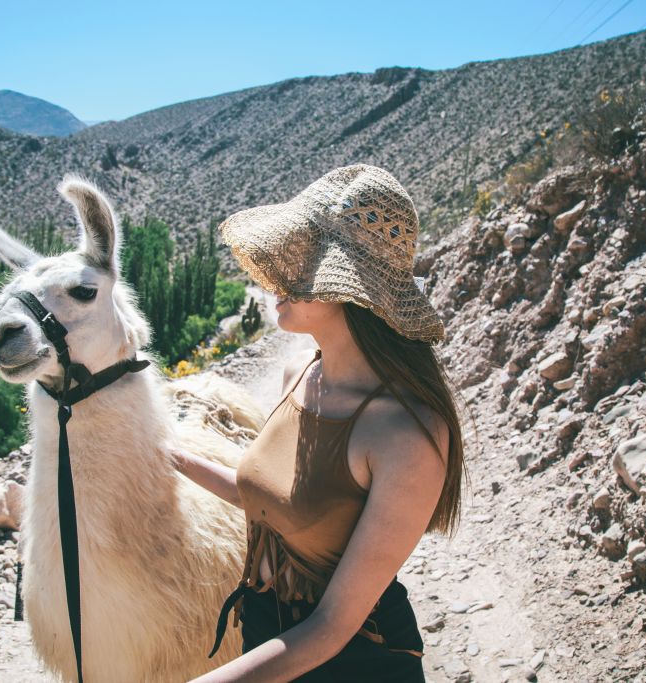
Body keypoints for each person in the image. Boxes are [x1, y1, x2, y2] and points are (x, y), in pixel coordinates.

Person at [170, 164, 467, 682]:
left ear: (346, 288)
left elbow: (332, 627)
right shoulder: (298, 372)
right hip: (268, 634)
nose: (276, 280)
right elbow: (275, 500)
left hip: (355, 661)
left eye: (301, 264)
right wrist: (171, 457)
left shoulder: (407, 435)